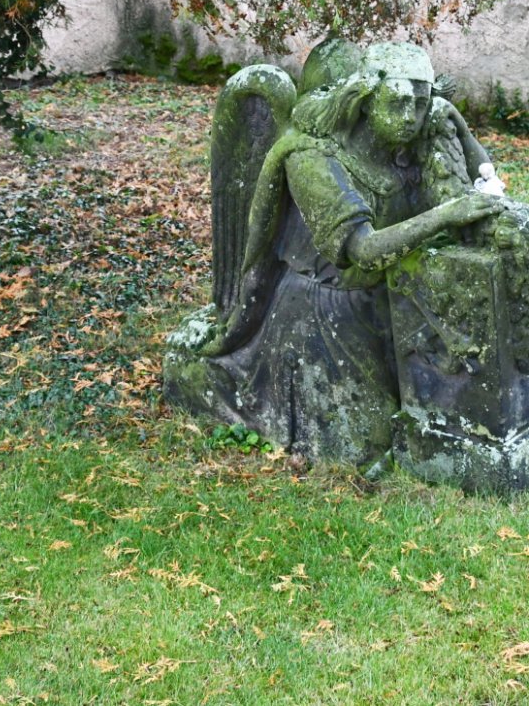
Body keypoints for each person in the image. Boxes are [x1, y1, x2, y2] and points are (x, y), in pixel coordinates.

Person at [199, 42, 503, 468]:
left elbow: (484, 181)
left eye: (420, 105)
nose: (410, 117)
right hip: (326, 313)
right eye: (398, 103)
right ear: (364, 100)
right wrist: (446, 215)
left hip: (387, 300)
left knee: (444, 405)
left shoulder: (405, 141)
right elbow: (363, 250)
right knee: (368, 444)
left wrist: (456, 126)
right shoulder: (310, 157)